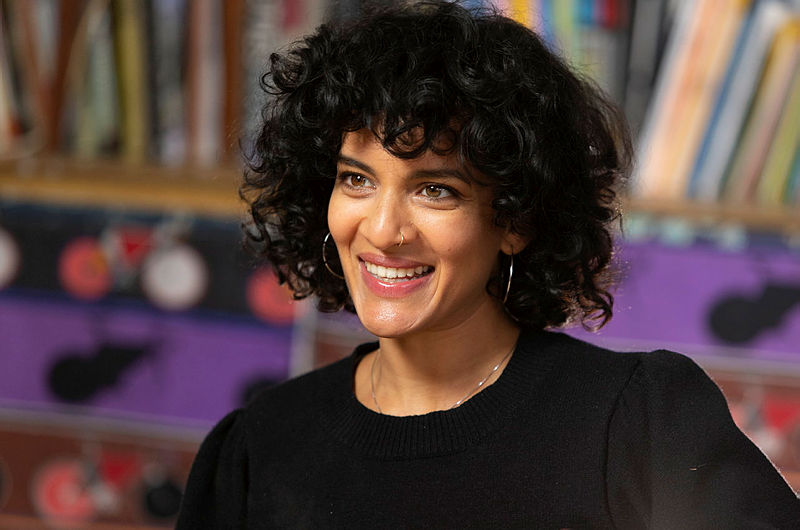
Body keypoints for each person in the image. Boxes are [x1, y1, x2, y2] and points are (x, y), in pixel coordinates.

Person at [176, 1, 800, 527]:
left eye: (435, 189)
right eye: (356, 179)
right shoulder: (260, 448)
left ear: (515, 220)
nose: (383, 231)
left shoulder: (639, 422)